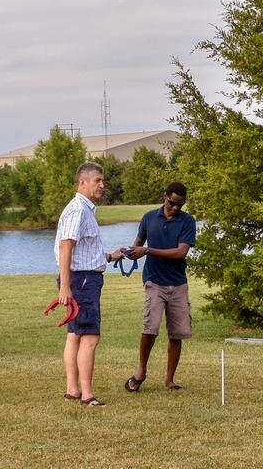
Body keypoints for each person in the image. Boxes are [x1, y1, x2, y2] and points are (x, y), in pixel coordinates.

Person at [55, 161, 127, 408]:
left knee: (75, 335)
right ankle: (87, 396)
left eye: (102, 180)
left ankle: (72, 390)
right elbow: (66, 247)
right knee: (90, 337)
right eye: (97, 180)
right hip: (82, 280)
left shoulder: (84, 209)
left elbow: (84, 251)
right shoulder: (78, 210)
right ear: (82, 182)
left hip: (82, 276)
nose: (102, 185)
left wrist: (109, 256)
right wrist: (65, 287)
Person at [124, 182, 196, 391]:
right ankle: (141, 372)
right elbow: (138, 244)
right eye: (172, 203)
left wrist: (148, 251)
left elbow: (180, 253)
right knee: (151, 328)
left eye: (180, 205)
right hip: (154, 281)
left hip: (178, 284)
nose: (175, 208)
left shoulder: (188, 221)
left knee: (177, 333)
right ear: (164, 196)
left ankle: (170, 380)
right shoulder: (148, 218)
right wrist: (130, 251)